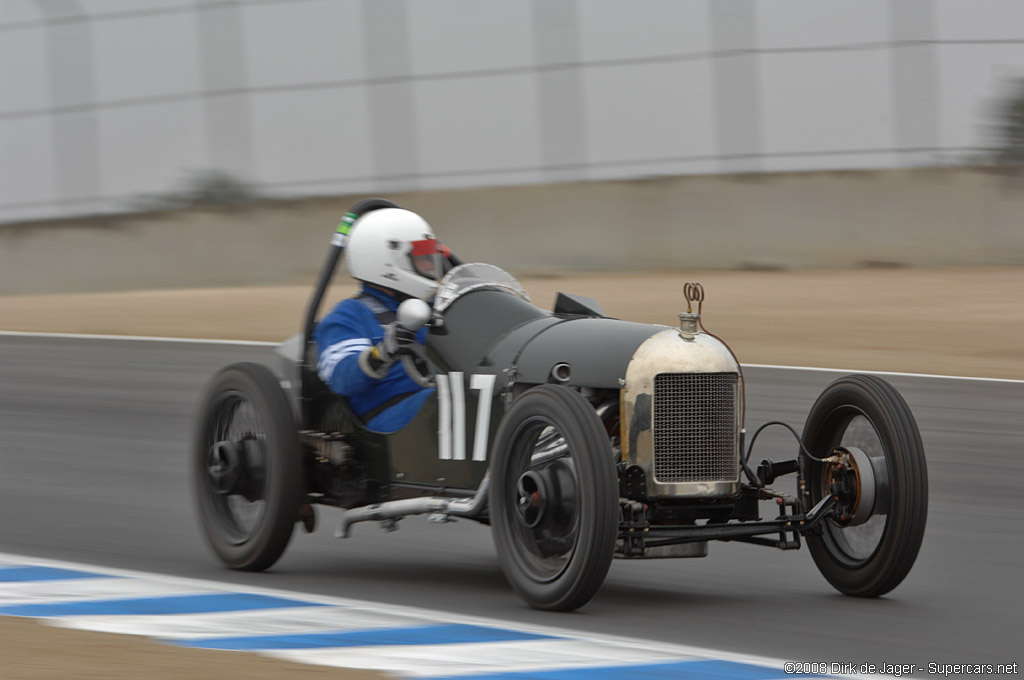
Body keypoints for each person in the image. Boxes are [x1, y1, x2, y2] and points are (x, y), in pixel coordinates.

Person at [314, 207, 447, 433]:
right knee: (451, 403)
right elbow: (342, 378)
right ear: (386, 263)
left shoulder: (437, 306)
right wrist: (382, 352)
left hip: (439, 400)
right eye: (421, 259)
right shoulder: (349, 314)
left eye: (429, 257)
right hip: (387, 416)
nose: (429, 267)